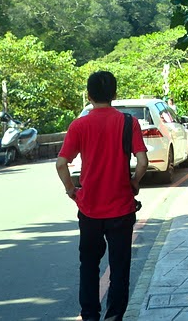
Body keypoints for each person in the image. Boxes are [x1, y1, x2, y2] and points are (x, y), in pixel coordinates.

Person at [56, 71, 148, 321]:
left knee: (88, 266)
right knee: (119, 269)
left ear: (89, 95)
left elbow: (62, 163)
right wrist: (134, 182)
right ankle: (114, 317)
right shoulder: (129, 123)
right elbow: (142, 161)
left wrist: (71, 191)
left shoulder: (79, 125)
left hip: (89, 210)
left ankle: (90, 316)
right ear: (114, 95)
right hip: (122, 209)